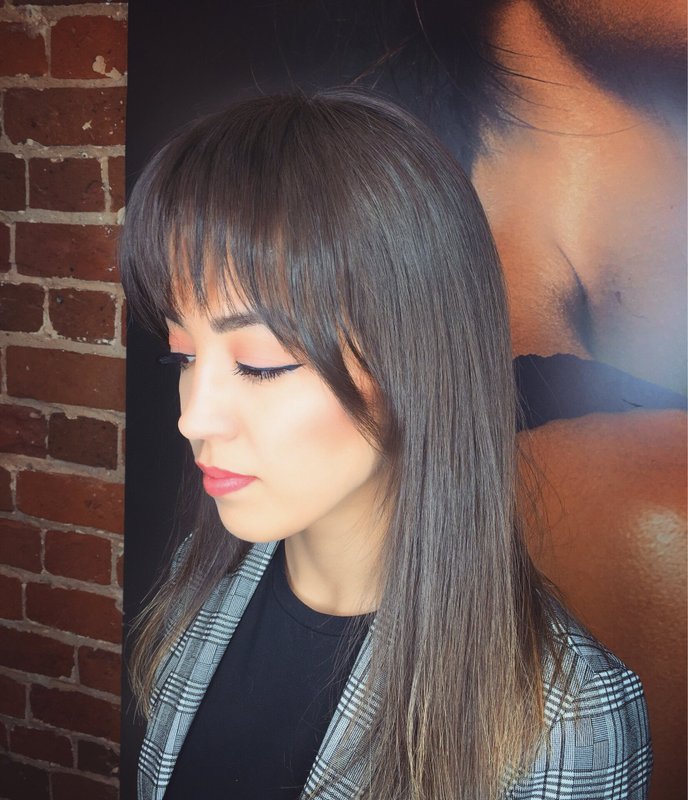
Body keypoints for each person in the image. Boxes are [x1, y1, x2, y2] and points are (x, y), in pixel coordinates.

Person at [121, 91, 652, 800]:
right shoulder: (202, 585)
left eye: (262, 363)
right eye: (182, 356)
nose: (194, 418)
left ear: (418, 363)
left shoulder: (565, 723)